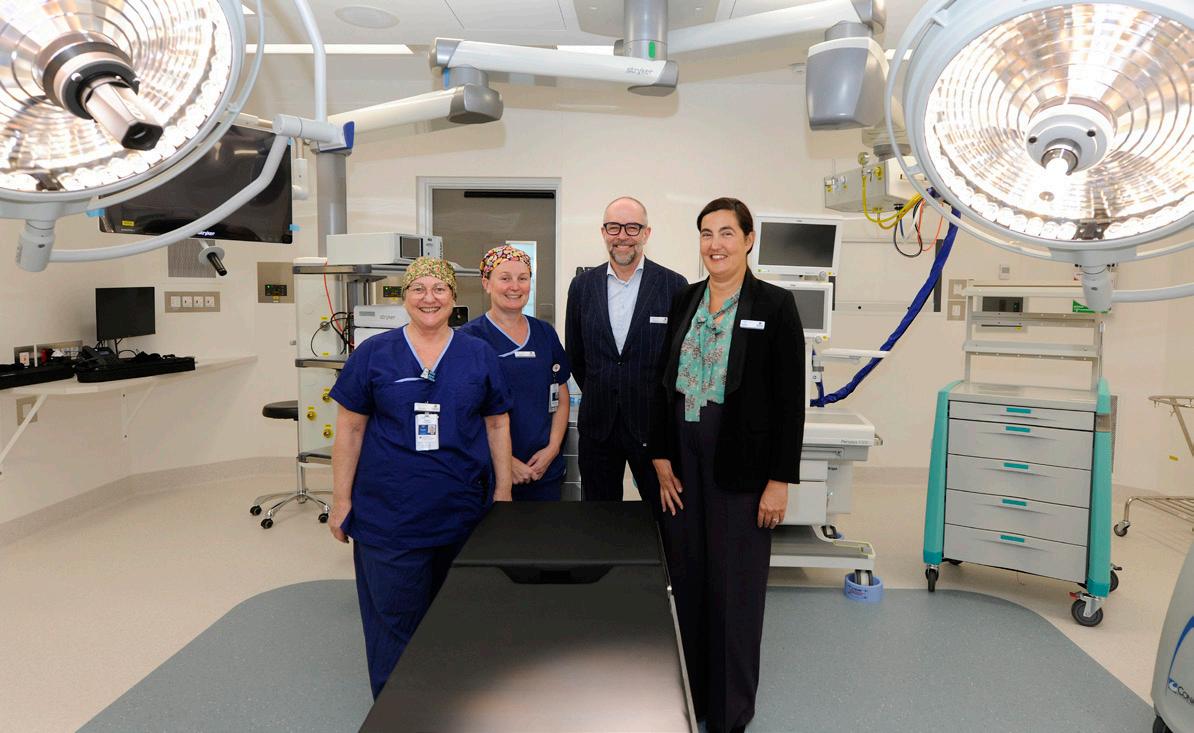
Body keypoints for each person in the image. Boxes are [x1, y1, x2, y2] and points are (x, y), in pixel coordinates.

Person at [649, 198, 805, 733]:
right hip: (682, 459)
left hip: (741, 459)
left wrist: (779, 481)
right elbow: (662, 381)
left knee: (735, 589)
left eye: (726, 233)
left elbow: (790, 403)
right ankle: (692, 699)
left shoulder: (775, 305)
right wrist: (660, 455)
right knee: (688, 578)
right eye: (706, 233)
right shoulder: (684, 299)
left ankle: (730, 712)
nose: (714, 244)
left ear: (748, 239)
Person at [327, 257, 513, 699]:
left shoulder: (477, 354)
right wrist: (341, 500)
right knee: (394, 624)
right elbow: (350, 429)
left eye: (439, 289)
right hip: (389, 516)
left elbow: (497, 424)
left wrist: (504, 493)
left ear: (454, 297)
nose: (429, 298)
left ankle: (448, 706)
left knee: (456, 618)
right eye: (418, 289)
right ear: (404, 297)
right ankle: (397, 712)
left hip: (460, 513)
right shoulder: (374, 354)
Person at [565, 195, 687, 511]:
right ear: (603, 232)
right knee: (599, 518)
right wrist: (604, 387)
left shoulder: (674, 286)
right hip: (598, 426)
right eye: (614, 227)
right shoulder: (582, 287)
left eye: (632, 227)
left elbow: (677, 362)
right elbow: (576, 354)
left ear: (646, 233)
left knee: (663, 515)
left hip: (653, 428)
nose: (622, 236)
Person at [459, 245, 571, 500]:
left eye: (523, 278)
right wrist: (506, 462)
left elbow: (561, 395)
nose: (515, 286)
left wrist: (552, 449)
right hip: (491, 472)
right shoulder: (469, 339)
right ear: (486, 283)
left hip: (544, 470)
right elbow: (464, 413)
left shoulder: (544, 333)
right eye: (505, 278)